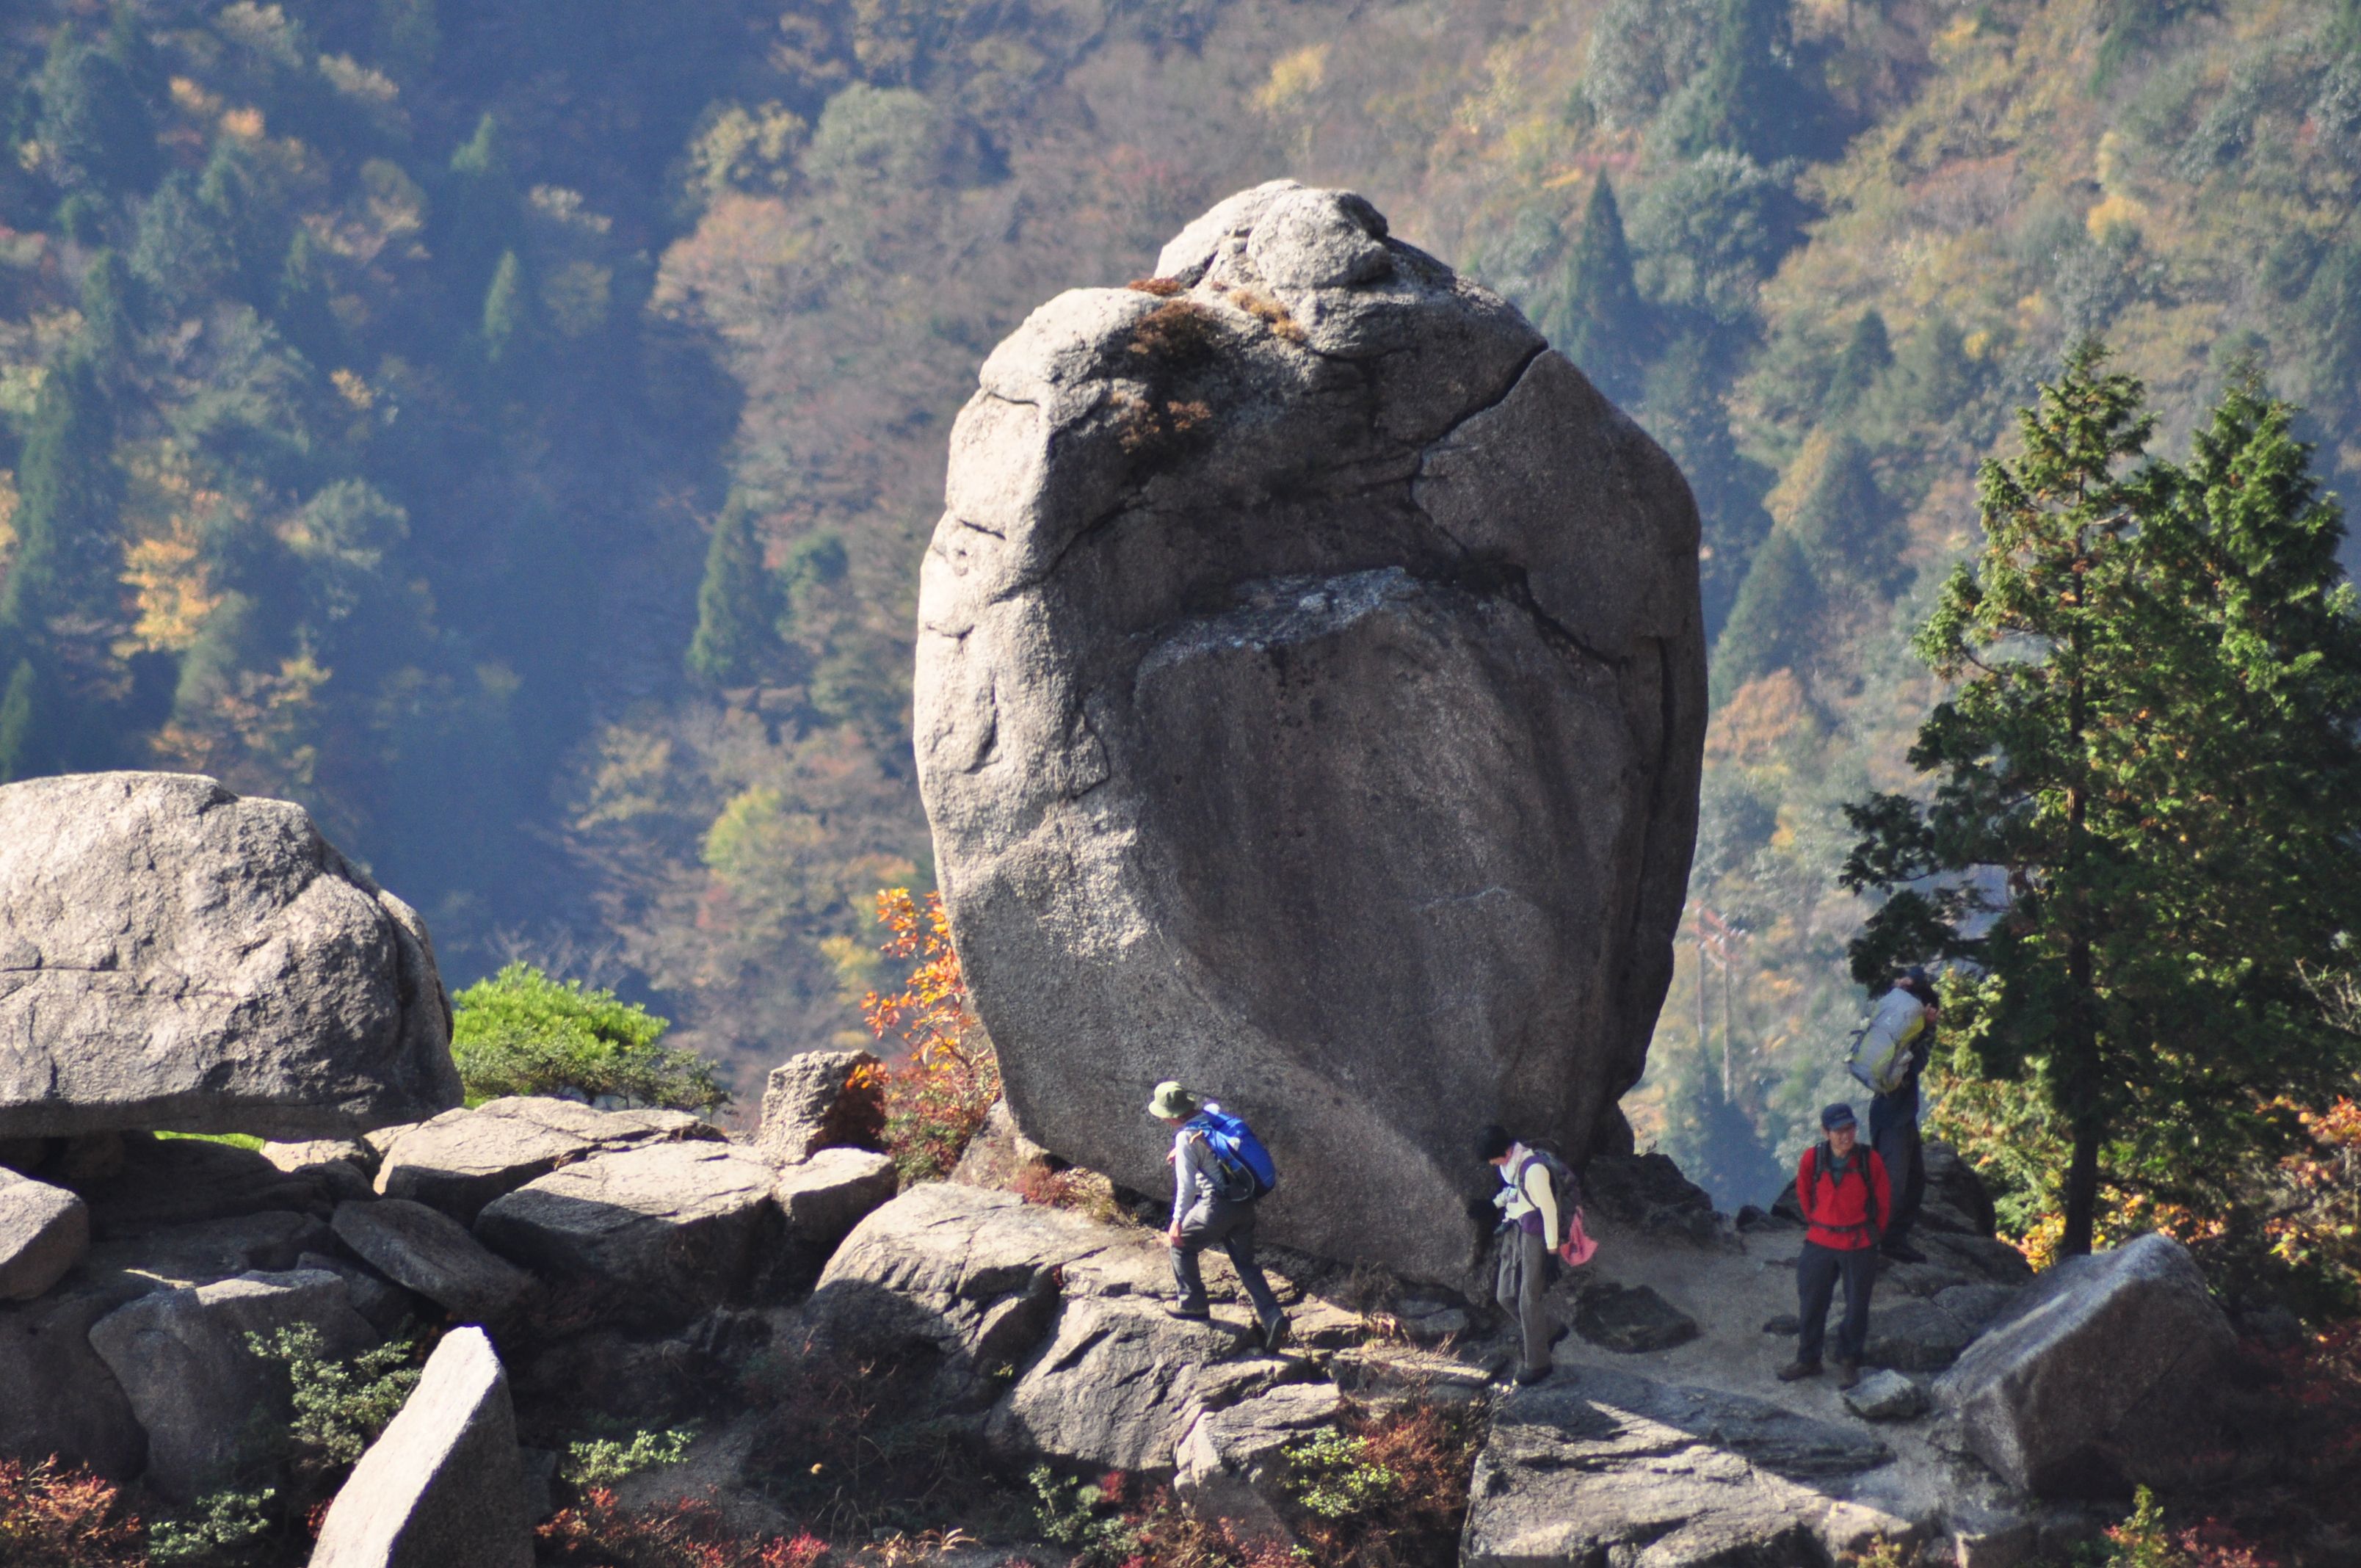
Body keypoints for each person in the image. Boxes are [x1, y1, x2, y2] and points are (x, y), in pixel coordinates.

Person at [1150, 1081, 1289, 1353]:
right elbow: (1213, 1151)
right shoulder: (1211, 1119)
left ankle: (1192, 1304)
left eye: (1164, 1114)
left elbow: (1187, 1187)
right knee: (1246, 1265)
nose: (1163, 1119)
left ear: (1174, 1115)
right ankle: (1274, 1317)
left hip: (1215, 1208)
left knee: (1181, 1245)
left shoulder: (1184, 1137)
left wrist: (1177, 1221)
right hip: (1243, 1205)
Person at [1780, 1103, 1891, 1390]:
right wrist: (1820, 1222)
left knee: (1856, 1307)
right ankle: (1808, 1359)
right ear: (1825, 1132)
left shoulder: (1870, 1160)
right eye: (1839, 1131)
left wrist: (1871, 1236)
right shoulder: (1812, 1159)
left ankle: (1849, 1361)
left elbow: (1883, 1202)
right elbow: (1804, 1194)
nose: (1846, 1136)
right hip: (1820, 1242)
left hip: (1859, 1242)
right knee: (1812, 1302)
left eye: (1850, 1129)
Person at [1479, 1123, 1562, 1386]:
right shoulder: (1511, 1166)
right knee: (1505, 1296)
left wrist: (1552, 1252)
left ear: (1503, 1151)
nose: (1491, 1164)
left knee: (1529, 1299)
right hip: (1517, 1227)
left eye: (1491, 1158)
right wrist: (1491, 1206)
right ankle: (1549, 1329)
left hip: (1537, 1234)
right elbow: (1516, 1191)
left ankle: (1538, 1364)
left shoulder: (1533, 1169)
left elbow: (1549, 1210)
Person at [1869, 969, 1938, 1264]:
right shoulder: (1907, 1031)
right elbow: (1914, 1066)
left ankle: (1893, 1239)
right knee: (1894, 1184)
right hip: (1894, 1116)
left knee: (1914, 1180)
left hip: (1899, 1115)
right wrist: (1927, 1029)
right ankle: (1879, 1241)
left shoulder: (1899, 1023)